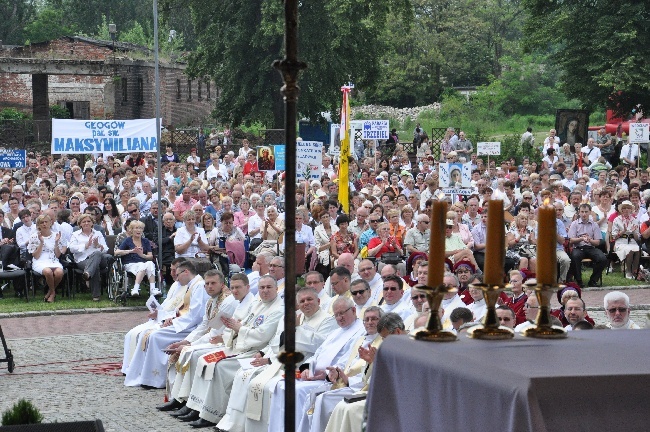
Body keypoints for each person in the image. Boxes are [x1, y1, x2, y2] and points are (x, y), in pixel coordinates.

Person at [215, 286, 337, 432]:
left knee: (268, 387)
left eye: (309, 299)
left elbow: (319, 344)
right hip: (283, 361)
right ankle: (236, 424)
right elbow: (279, 342)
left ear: (318, 300)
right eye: (302, 301)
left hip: (303, 365)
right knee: (245, 377)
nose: (306, 303)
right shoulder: (299, 317)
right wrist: (267, 356)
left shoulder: (328, 320)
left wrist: (297, 329)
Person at [181, 274, 284, 428]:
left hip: (254, 350)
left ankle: (212, 414)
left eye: (269, 287)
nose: (265, 291)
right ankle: (196, 407)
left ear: (277, 289)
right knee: (205, 360)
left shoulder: (278, 309)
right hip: (241, 345)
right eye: (262, 287)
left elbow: (263, 335)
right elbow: (241, 323)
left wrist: (238, 328)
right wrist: (234, 328)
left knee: (219, 367)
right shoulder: (258, 304)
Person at [266, 297, 365, 432]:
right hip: (314, 375)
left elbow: (347, 361)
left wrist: (325, 374)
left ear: (353, 310)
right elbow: (318, 354)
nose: (339, 318)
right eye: (336, 314)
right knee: (279, 385)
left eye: (342, 313)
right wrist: (306, 368)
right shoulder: (336, 332)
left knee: (297, 391)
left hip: (331, 379)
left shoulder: (360, 332)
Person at [123, 260, 208, 388]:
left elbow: (195, 315)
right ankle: (145, 375)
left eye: (178, 274)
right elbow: (183, 310)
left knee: (155, 336)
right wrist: (170, 318)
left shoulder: (199, 286)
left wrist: (174, 320)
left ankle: (154, 379)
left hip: (191, 327)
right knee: (149, 334)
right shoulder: (193, 284)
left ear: (186, 272)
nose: (177, 278)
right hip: (184, 323)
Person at [67, 214, 113, 301]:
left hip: (100, 260)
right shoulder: (75, 234)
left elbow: (106, 249)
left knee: (97, 253)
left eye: (88, 221)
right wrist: (85, 246)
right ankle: (96, 296)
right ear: (80, 224)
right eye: (84, 222)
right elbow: (72, 249)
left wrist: (98, 245)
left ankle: (87, 273)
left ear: (92, 223)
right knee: (94, 267)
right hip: (82, 260)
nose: (86, 223)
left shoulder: (98, 233)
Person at [27, 214, 66, 303]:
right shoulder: (34, 236)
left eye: (46, 222)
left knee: (59, 272)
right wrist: (41, 242)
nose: (44, 224)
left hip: (53, 259)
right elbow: (36, 256)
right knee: (48, 271)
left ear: (50, 223)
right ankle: (52, 293)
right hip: (40, 260)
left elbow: (58, 255)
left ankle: (50, 292)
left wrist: (56, 242)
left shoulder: (56, 235)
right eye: (41, 223)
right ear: (38, 225)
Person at [568, 203, 608, 287]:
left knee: (602, 258)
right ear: (579, 212)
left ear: (590, 212)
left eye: (586, 212)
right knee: (575, 256)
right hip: (578, 247)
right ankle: (579, 280)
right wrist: (581, 239)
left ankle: (593, 280)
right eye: (582, 212)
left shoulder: (594, 224)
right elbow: (571, 240)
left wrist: (590, 240)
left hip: (590, 247)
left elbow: (597, 242)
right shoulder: (574, 224)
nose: (584, 214)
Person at [115, 220, 158, 297]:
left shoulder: (145, 241)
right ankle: (135, 289)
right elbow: (116, 252)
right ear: (131, 229)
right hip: (130, 264)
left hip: (143, 264)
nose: (139, 230)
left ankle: (152, 289)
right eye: (136, 228)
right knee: (143, 265)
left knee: (150, 263)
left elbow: (150, 256)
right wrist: (131, 251)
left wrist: (141, 255)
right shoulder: (127, 240)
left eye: (141, 228)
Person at [610, 200, 640, 279]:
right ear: (622, 210)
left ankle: (635, 271)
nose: (626, 210)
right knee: (629, 250)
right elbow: (613, 236)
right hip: (620, 242)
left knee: (637, 249)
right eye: (625, 208)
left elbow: (637, 238)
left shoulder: (635, 220)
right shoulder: (617, 220)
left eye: (628, 208)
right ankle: (628, 271)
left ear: (631, 210)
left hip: (632, 241)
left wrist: (633, 232)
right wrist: (622, 231)